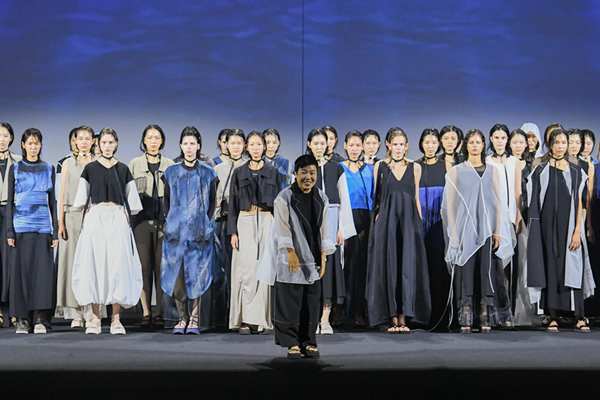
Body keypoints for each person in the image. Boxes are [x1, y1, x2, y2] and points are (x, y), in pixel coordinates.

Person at [257, 154, 335, 359]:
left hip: (313, 256)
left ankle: (309, 341)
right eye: (304, 172)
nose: (308, 177)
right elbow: (282, 227)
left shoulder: (321, 197)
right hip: (290, 255)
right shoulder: (284, 197)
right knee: (290, 300)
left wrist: (324, 256)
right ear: (295, 174)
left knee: (311, 301)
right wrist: (290, 252)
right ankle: (291, 342)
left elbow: (325, 229)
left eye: (312, 173)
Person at [442, 129, 515, 334]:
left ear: (483, 145)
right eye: (471, 142)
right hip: (465, 229)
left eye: (478, 142)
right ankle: (465, 315)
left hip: (487, 230)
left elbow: (498, 203)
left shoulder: (492, 171)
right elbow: (450, 205)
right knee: (466, 272)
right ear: (466, 145)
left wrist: (498, 230)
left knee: (486, 272)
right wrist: (454, 232)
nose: (475, 145)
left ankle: (485, 315)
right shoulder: (456, 171)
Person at [71, 127, 143, 335]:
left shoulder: (123, 169)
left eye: (111, 142)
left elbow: (132, 202)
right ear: (98, 144)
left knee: (117, 266)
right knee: (94, 265)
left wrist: (123, 215)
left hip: (117, 217)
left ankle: (115, 318)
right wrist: (91, 216)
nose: (107, 146)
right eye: (104, 142)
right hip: (96, 217)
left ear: (116, 144)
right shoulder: (90, 169)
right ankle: (95, 317)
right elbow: (81, 199)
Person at [527, 128, 594, 332]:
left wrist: (577, 230)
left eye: (564, 142)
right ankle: (553, 315)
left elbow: (579, 202)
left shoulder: (576, 171)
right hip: (547, 229)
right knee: (550, 268)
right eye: (556, 142)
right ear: (550, 145)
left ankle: (579, 316)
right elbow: (534, 202)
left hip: (570, 227)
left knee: (574, 266)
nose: (560, 146)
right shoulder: (540, 170)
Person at [366, 127, 431, 333]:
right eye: (395, 144)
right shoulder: (380, 166)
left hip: (409, 222)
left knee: (407, 267)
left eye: (402, 145)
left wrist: (418, 224)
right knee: (390, 266)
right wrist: (377, 224)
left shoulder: (415, 167)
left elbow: (416, 198)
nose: (398, 148)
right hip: (387, 222)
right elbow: (377, 199)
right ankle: (393, 317)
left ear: (407, 146)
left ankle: (404, 317)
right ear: (388, 145)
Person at [161, 126, 218, 335]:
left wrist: (205, 224)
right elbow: (166, 202)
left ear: (198, 145)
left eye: (192, 143)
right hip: (176, 234)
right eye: (185, 143)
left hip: (199, 234)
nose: (189, 147)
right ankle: (181, 317)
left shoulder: (208, 172)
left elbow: (212, 202)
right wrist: (172, 223)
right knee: (177, 278)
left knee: (198, 275)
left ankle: (194, 317)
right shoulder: (171, 172)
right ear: (180, 145)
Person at [228, 131, 283, 334]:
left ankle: (262, 320)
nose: (256, 148)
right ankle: (245, 320)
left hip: (267, 221)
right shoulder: (239, 172)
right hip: (245, 221)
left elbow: (279, 204)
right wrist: (233, 232)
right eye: (251, 144)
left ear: (264, 147)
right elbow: (232, 205)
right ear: (246, 147)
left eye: (259, 144)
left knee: (264, 269)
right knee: (246, 271)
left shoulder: (273, 172)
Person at [6, 128, 58, 334]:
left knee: (42, 275)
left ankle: (40, 318)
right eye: (30, 143)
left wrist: (54, 230)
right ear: (23, 145)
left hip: (43, 228)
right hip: (20, 226)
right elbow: (9, 202)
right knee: (21, 274)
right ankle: (22, 319)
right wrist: (9, 231)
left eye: (36, 143)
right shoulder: (15, 168)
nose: (33, 147)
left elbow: (52, 201)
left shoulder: (49, 168)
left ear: (41, 145)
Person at [307, 128, 355, 334]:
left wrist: (341, 229)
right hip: (310, 225)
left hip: (332, 223)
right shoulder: (303, 167)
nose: (319, 147)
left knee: (328, 274)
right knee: (311, 271)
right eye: (315, 143)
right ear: (309, 144)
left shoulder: (337, 168)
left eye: (322, 143)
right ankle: (311, 318)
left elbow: (344, 200)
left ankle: (325, 318)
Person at [128, 125, 174, 330]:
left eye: (157, 137)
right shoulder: (134, 164)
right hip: (141, 223)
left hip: (165, 224)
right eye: (149, 137)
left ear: (162, 140)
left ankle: (160, 312)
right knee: (143, 269)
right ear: (144, 141)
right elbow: (127, 195)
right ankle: (146, 312)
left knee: (161, 270)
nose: (153, 141)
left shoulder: (170, 165)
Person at [55, 125, 96, 328]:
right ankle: (75, 313)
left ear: (93, 141)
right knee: (71, 264)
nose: (84, 142)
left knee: (91, 264)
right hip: (71, 216)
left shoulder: (97, 163)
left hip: (93, 216)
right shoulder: (67, 163)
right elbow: (62, 194)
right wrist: (60, 222)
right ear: (75, 141)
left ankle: (91, 311)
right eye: (80, 138)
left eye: (88, 138)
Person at [416, 128, 452, 330]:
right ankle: (419, 316)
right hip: (420, 225)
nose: (430, 146)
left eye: (433, 142)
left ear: (438, 145)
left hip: (439, 225)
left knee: (439, 271)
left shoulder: (446, 165)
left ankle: (441, 317)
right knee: (420, 270)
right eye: (426, 142)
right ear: (421, 144)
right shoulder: (414, 166)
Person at [487, 124, 522, 323]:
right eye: (496, 137)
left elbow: (518, 191)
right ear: (491, 139)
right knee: (495, 267)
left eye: (503, 138)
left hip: (510, 218)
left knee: (509, 268)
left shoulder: (513, 161)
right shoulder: (486, 162)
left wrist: (518, 216)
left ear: (507, 140)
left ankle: (507, 314)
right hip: (493, 220)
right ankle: (493, 312)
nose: (500, 141)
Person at [213, 129, 246, 327]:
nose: (235, 146)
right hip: (222, 222)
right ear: (225, 145)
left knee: (241, 270)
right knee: (222, 269)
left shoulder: (248, 167)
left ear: (244, 146)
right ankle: (222, 315)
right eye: (231, 143)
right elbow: (214, 199)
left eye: (239, 143)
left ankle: (240, 314)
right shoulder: (218, 169)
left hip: (243, 223)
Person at [341, 131, 374, 327]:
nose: (354, 149)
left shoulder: (370, 169)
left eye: (358, 145)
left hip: (365, 219)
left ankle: (359, 311)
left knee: (362, 267)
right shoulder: (339, 168)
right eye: (351, 145)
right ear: (345, 146)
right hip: (346, 217)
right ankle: (340, 310)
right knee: (346, 265)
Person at [509, 128, 539, 326]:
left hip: (526, 217)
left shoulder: (532, 165)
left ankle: (524, 312)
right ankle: (506, 312)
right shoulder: (504, 164)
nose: (519, 145)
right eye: (515, 142)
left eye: (522, 142)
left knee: (524, 263)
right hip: (507, 217)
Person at [0, 122, 21, 328]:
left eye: (5, 135)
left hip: (12, 211)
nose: (2, 139)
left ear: (11, 138)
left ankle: (15, 312)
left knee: (13, 261)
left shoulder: (19, 161)